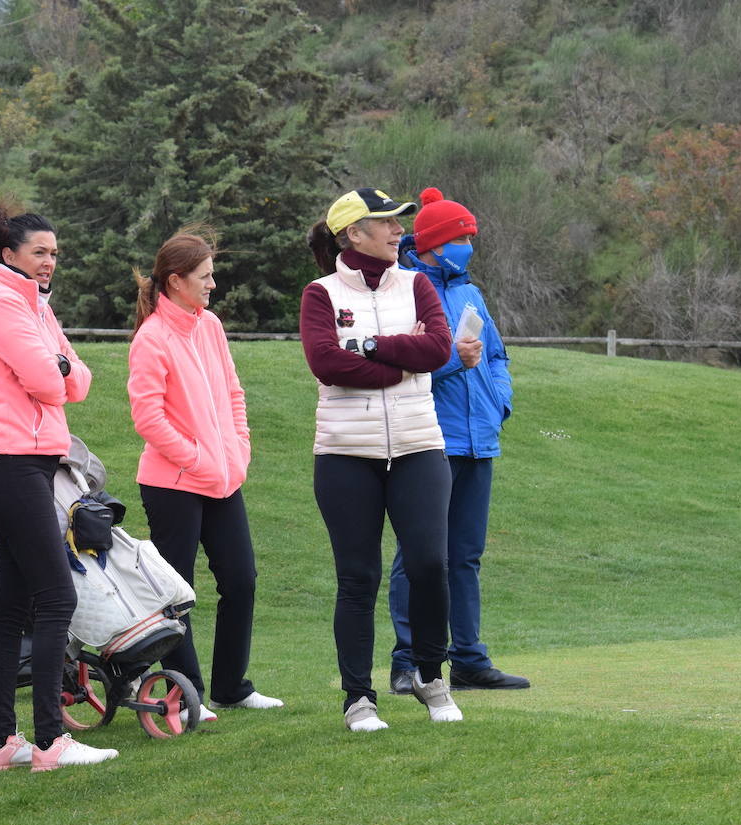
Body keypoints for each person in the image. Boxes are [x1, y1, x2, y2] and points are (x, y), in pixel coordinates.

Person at [300, 187, 463, 732]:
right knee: (358, 577)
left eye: (399, 224)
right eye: (387, 223)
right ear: (353, 234)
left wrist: (367, 347)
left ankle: (429, 675)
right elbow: (326, 363)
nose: (400, 232)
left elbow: (437, 349)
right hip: (346, 454)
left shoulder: (417, 283)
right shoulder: (320, 294)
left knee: (429, 565)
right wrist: (398, 359)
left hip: (419, 446)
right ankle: (357, 697)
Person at [0, 205, 118, 772]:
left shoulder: (36, 307)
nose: (50, 261)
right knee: (57, 596)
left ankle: (2, 743)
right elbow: (45, 381)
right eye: (39, 252)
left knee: (12, 607)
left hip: (29, 465)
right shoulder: (3, 305)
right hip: (10, 465)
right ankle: (51, 741)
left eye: (54, 252)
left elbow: (77, 380)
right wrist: (59, 370)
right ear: (10, 255)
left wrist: (61, 369)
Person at [128, 228, 282, 722]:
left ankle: (231, 687)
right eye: (205, 276)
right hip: (173, 483)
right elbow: (148, 418)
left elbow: (234, 395)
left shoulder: (209, 326)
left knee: (242, 579)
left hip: (222, 478)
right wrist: (196, 459)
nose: (212, 284)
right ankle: (187, 692)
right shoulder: (152, 337)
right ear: (176, 282)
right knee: (178, 593)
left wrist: (237, 453)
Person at [385, 187, 529, 693]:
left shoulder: (471, 292)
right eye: (462, 236)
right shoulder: (405, 290)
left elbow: (496, 357)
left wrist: (500, 402)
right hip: (430, 441)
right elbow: (404, 363)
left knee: (465, 555)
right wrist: (452, 361)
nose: (469, 243)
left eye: (470, 235)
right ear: (435, 243)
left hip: (479, 440)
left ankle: (468, 659)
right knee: (420, 555)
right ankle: (407, 662)